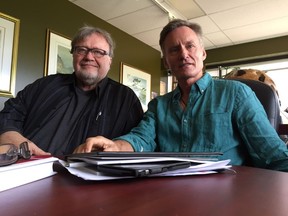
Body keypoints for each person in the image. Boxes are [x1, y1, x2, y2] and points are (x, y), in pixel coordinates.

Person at [74, 19, 288, 172]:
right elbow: (142, 138)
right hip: (169, 196)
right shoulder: (159, 106)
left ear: (203, 53)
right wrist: (115, 147)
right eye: (174, 50)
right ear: (166, 61)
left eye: (190, 46)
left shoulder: (236, 94)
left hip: (225, 197)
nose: (184, 54)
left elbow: (274, 155)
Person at [0, 26, 143, 156]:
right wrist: (20, 145)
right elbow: (9, 114)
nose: (89, 57)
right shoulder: (45, 85)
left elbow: (138, 142)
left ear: (110, 60)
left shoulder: (125, 99)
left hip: (87, 181)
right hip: (21, 168)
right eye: (81, 50)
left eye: (98, 52)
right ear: (74, 54)